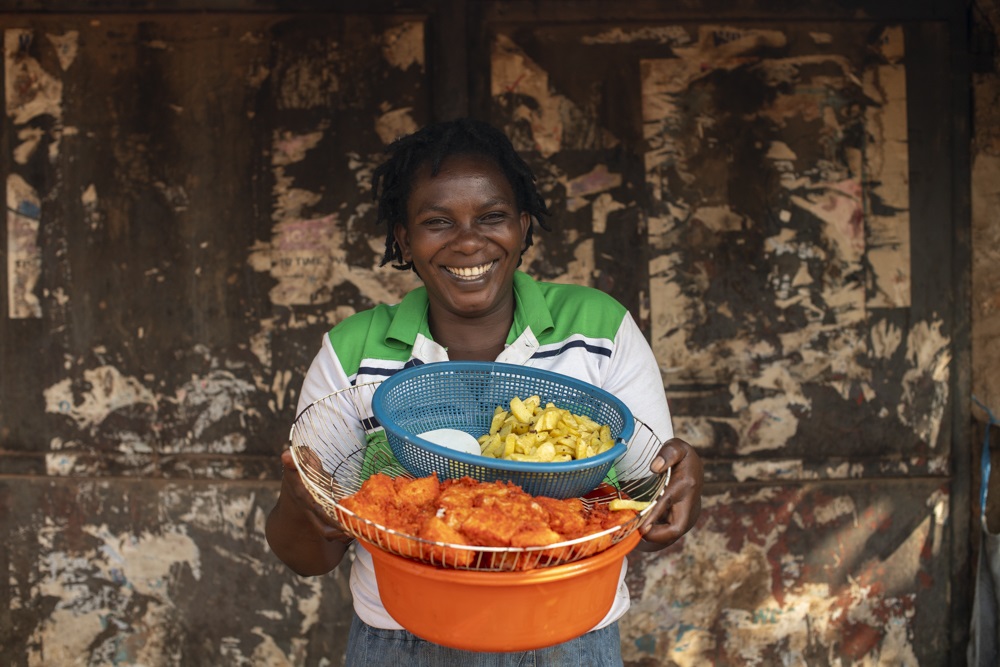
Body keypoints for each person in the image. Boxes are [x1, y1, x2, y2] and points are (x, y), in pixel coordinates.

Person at [265, 117, 704, 665]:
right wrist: (298, 499)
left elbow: (646, 497)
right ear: (404, 238)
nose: (469, 241)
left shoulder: (597, 328)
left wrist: (680, 481)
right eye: (437, 221)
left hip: (567, 633)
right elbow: (308, 557)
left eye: (492, 217)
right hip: (401, 637)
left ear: (522, 226)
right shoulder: (354, 352)